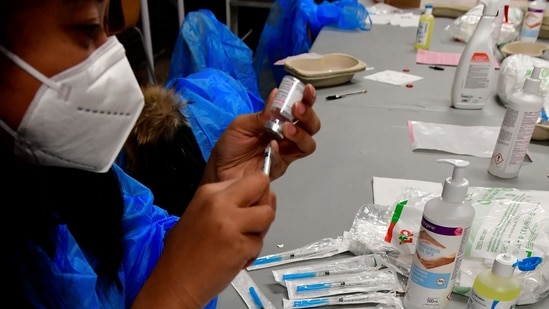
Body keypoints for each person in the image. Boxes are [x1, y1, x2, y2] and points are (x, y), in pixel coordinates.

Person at [0, 1, 320, 308]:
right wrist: (179, 291)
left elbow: (139, 262)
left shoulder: (73, 173)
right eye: (87, 28)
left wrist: (216, 184)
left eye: (112, 31)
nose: (114, 61)